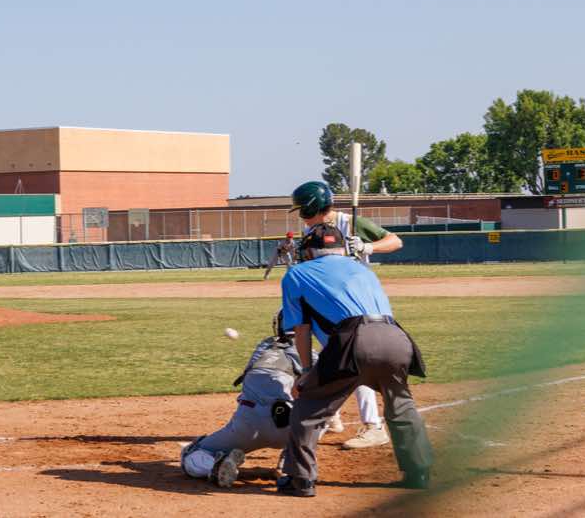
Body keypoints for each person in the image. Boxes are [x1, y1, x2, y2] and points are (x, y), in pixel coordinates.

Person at [276, 223, 432, 497]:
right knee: (401, 405)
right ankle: (418, 472)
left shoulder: (296, 274)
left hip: (354, 339)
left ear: (310, 251)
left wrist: (307, 371)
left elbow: (301, 329)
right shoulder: (364, 270)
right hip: (396, 336)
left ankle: (300, 479)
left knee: (308, 405)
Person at [289, 180, 402, 449]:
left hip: (354, 303)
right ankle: (333, 417)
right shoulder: (310, 230)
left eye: (303, 210)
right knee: (330, 356)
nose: (302, 217)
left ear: (313, 207)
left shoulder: (350, 222)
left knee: (354, 362)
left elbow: (396, 241)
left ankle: (373, 426)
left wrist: (367, 247)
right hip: (325, 303)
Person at [180, 310, 317, 488]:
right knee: (322, 409)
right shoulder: (311, 354)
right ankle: (291, 460)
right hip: (290, 429)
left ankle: (215, 466)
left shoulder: (263, 346)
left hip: (247, 425)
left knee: (190, 454)